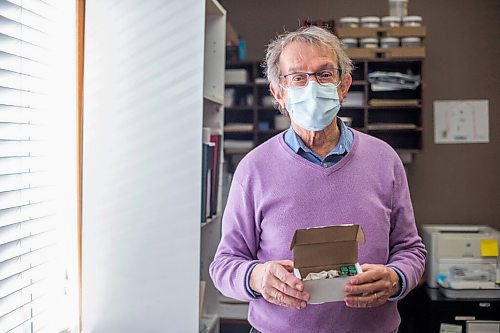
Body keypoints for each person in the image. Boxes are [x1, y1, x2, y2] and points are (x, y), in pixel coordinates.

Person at [210, 26, 426, 333]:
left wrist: (396, 278)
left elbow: (411, 250)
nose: (312, 86)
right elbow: (224, 264)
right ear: (278, 94)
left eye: (324, 74)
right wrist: (257, 277)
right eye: (298, 77)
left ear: (343, 85)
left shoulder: (384, 160)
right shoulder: (253, 169)